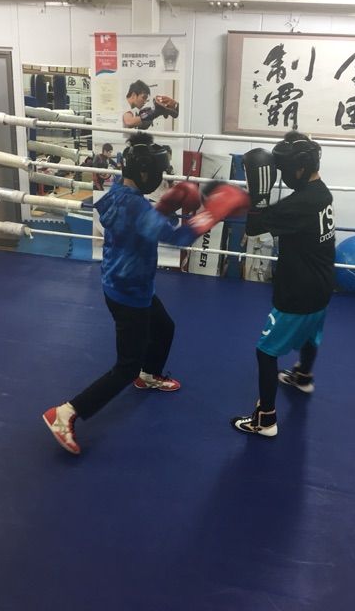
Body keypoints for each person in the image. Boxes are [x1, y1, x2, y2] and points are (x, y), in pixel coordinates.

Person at [43, 132, 249, 454]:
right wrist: (214, 211)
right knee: (125, 367)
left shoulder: (118, 192)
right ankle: (66, 413)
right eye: (157, 170)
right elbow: (179, 238)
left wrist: (166, 204)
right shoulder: (137, 207)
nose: (160, 176)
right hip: (129, 294)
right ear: (144, 172)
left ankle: (149, 375)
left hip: (123, 283)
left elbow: (141, 222)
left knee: (165, 327)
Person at [231, 131, 336, 437]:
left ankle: (265, 419)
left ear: (299, 168)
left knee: (265, 352)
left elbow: (254, 227)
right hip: (322, 286)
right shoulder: (322, 193)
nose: (283, 174)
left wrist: (258, 195)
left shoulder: (300, 203)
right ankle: (303, 375)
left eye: (285, 168)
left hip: (298, 292)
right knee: (311, 335)